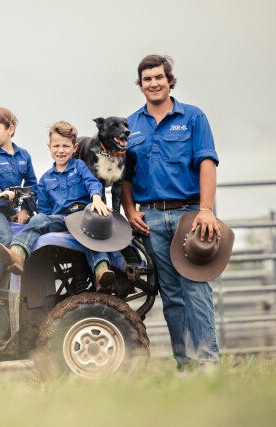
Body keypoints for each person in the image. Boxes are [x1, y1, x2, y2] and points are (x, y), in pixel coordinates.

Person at [122, 55, 221, 369]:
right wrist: (129, 210)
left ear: (170, 80)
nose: (154, 83)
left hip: (189, 216)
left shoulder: (193, 117)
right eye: (147, 79)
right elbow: (124, 175)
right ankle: (185, 364)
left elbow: (207, 163)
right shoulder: (129, 125)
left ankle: (208, 363)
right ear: (141, 85)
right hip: (150, 220)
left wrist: (206, 210)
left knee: (196, 289)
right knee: (172, 294)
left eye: (159, 77)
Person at [0, 121, 116, 291]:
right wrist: (44, 221)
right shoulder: (45, 178)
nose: (61, 150)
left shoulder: (80, 167)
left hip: (83, 217)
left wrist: (96, 198)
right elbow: (45, 210)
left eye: (66, 146)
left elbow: (92, 183)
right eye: (56, 146)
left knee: (93, 238)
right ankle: (17, 254)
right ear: (49, 147)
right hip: (61, 220)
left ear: (75, 148)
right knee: (39, 219)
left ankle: (102, 273)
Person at [0, 107, 37, 305]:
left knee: (28, 234)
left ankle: (15, 285)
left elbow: (31, 184)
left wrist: (25, 209)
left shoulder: (24, 155)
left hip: (11, 209)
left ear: (10, 129)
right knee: (4, 237)